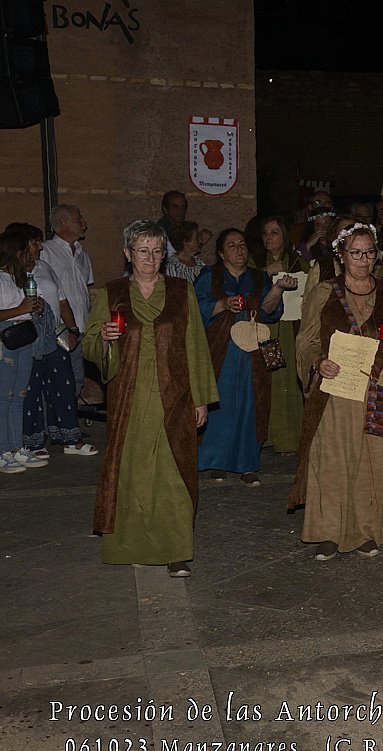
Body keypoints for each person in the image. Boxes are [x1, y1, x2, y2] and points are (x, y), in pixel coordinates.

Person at [83, 219, 218, 578]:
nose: (150, 258)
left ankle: (175, 551)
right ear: (128, 254)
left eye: (157, 251)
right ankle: (133, 547)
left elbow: (195, 345)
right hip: (129, 397)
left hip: (174, 396)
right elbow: (90, 343)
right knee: (132, 472)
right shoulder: (111, 293)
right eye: (143, 250)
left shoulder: (181, 291)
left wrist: (201, 398)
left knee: (173, 472)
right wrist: (105, 339)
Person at [287, 223, 383, 559]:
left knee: (373, 462)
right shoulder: (323, 293)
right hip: (337, 391)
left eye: (369, 252)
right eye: (355, 253)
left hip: (378, 389)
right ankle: (329, 532)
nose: (363, 259)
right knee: (331, 460)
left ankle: (368, 530)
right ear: (341, 256)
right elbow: (305, 342)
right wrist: (318, 362)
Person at [193, 229, 297, 484]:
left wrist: (278, 289)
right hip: (222, 350)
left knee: (252, 403)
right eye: (231, 245)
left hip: (253, 353)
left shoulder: (259, 277)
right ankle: (217, 461)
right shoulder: (210, 276)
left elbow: (268, 310)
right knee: (220, 403)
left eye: (242, 244)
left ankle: (247, 463)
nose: (239, 249)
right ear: (221, 253)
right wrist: (222, 304)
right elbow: (194, 307)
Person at [8, 223, 95, 460]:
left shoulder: (44, 267)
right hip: (27, 338)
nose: (40, 247)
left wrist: (72, 329)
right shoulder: (8, 273)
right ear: (20, 246)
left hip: (54, 336)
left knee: (64, 386)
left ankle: (70, 439)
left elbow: (62, 301)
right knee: (31, 390)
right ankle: (33, 442)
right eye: (34, 243)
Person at [0, 230, 48, 474]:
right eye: (28, 249)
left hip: (23, 336)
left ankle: (17, 448)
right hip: (1, 339)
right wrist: (20, 309)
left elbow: (24, 309)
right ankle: (1, 452)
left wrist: (35, 306)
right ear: (16, 252)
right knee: (2, 397)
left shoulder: (21, 278)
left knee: (19, 396)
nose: (33, 254)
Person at [254, 215, 311, 454]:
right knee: (271, 379)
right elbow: (247, 285)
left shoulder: (299, 262)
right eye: (265, 233)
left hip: (292, 330)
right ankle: (268, 436)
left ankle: (291, 438)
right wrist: (266, 272)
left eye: (274, 232)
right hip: (268, 331)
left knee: (291, 378)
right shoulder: (254, 261)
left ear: (285, 237)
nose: (268, 237)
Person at [41, 204, 94, 398]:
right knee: (57, 380)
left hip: (81, 328)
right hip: (58, 330)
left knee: (77, 379)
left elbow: (84, 291)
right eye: (79, 220)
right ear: (63, 223)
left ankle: (69, 415)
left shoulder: (82, 254)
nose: (84, 224)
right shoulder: (45, 252)